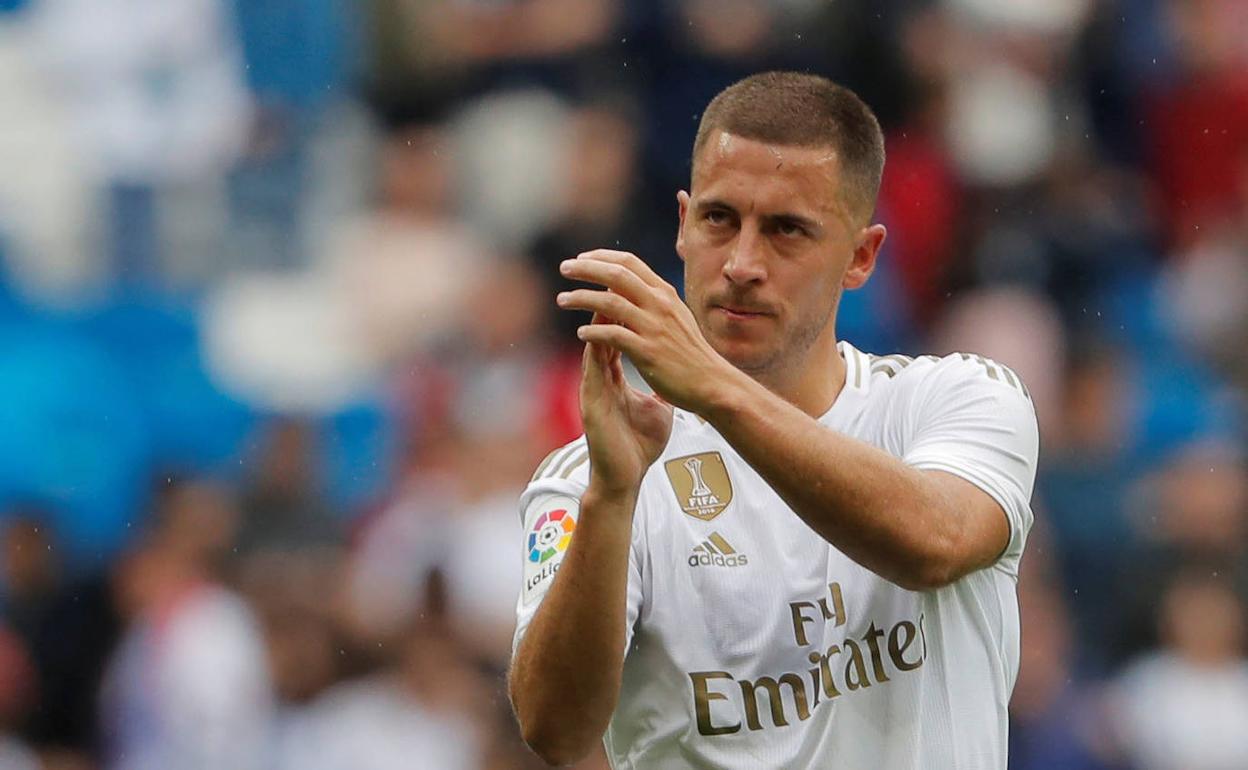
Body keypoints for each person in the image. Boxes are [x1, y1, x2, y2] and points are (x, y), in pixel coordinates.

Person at [509, 71, 1038, 769]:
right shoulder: (598, 473)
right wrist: (610, 499)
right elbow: (555, 730)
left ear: (861, 256)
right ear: (682, 225)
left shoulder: (956, 399)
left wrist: (715, 392)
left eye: (787, 230)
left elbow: (933, 543)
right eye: (720, 219)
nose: (742, 264)